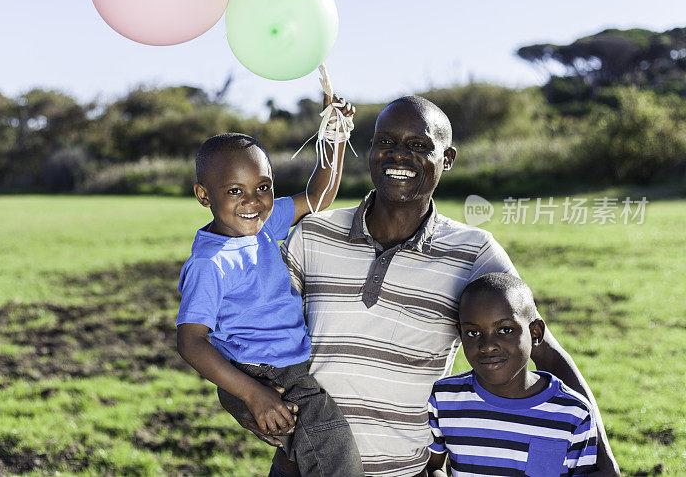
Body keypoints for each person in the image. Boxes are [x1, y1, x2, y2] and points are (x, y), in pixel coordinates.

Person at [219, 95, 620, 477]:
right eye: (386, 142)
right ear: (370, 150)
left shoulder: (475, 252)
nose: (398, 154)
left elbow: (541, 348)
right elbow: (243, 329)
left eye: (417, 144)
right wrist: (244, 400)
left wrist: (604, 462)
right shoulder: (312, 234)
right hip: (301, 469)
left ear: (447, 158)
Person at [176, 95, 365, 476]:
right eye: (235, 191)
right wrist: (250, 393)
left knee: (301, 460)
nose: (253, 202)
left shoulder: (264, 226)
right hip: (270, 373)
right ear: (203, 195)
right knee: (336, 453)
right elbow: (191, 341)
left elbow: (319, 196)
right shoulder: (211, 263)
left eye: (263, 187)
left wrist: (335, 136)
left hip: (289, 362)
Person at [426, 273, 598, 477]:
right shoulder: (444, 398)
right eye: (473, 333)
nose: (488, 345)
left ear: (536, 333)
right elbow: (434, 465)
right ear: (460, 334)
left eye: (505, 330)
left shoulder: (573, 413)